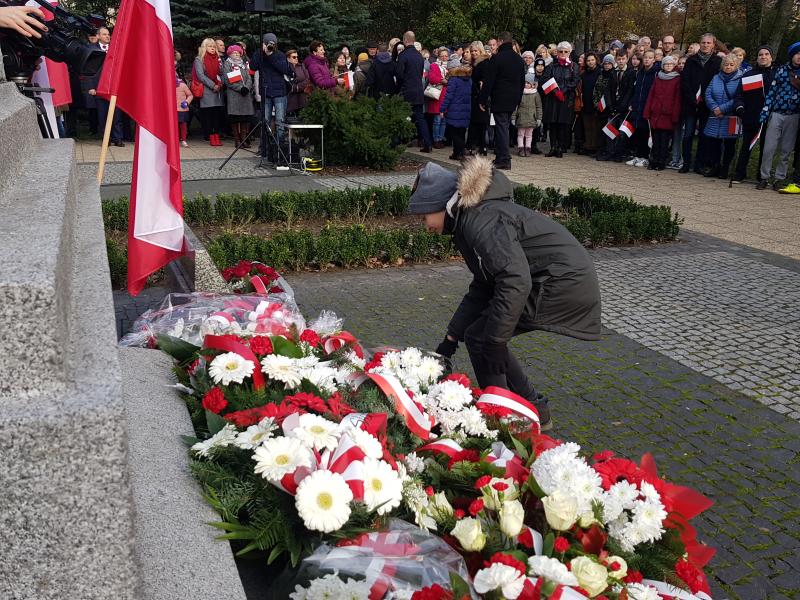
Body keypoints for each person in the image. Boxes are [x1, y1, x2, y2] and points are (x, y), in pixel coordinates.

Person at [409, 158, 603, 431]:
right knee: (480, 336)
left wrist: (496, 341)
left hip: (560, 281)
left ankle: (502, 417)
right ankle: (528, 409)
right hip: (550, 278)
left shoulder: (479, 221)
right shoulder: (470, 219)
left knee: (483, 338)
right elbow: (484, 285)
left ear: (442, 204)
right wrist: (451, 338)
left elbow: (514, 279)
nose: (425, 224)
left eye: (425, 214)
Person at [756, 41, 800, 191]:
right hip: (777, 113)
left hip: (794, 115)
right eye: (797, 53)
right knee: (769, 147)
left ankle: (779, 178)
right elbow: (772, 92)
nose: (799, 57)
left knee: (786, 150)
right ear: (792, 55)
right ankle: (764, 177)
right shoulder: (781, 71)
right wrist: (765, 112)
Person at [480, 31, 526, 169]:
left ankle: (504, 159)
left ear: (500, 41)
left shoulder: (497, 58)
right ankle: (501, 156)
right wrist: (518, 99)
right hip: (512, 99)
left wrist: (482, 99)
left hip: (500, 97)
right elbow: (522, 82)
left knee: (501, 127)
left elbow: (489, 81)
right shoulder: (518, 59)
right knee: (503, 126)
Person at [678, 33, 722, 174]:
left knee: (704, 135)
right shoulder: (691, 60)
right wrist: (692, 98)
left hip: (707, 104)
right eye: (703, 42)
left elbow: (717, 82)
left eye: (709, 43)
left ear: (713, 45)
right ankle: (686, 163)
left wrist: (707, 99)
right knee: (688, 134)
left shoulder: (717, 62)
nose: (705, 45)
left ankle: (699, 164)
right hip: (691, 103)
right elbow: (685, 81)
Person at [731, 45, 774, 184]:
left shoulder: (777, 74)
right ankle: (739, 173)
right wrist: (740, 108)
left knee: (766, 148)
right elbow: (739, 95)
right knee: (746, 146)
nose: (763, 57)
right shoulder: (749, 75)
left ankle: (762, 176)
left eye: (766, 54)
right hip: (750, 115)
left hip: (769, 117)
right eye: (760, 54)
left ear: (771, 57)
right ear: (757, 58)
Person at [701, 54, 743, 179]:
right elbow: (708, 94)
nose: (728, 67)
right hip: (715, 115)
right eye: (726, 64)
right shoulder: (716, 78)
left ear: (736, 66)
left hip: (730, 116)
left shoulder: (740, 78)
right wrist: (715, 108)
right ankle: (715, 166)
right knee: (713, 143)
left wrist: (722, 109)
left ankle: (725, 168)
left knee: (729, 144)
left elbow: (738, 97)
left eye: (731, 65)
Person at [251, 33, 292, 147]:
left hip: (280, 93)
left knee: (280, 121)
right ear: (263, 44)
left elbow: (285, 69)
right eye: (268, 44)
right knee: (265, 121)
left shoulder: (279, 55)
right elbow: (252, 67)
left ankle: (280, 147)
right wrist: (261, 53)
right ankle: (265, 147)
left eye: (272, 44)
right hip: (266, 92)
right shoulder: (259, 54)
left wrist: (271, 55)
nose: (270, 46)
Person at [540, 41, 580, 158]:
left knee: (563, 123)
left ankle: (560, 147)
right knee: (553, 123)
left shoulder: (574, 66)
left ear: (569, 53)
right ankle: (552, 147)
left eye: (565, 52)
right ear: (557, 52)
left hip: (566, 99)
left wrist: (564, 90)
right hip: (552, 98)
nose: (563, 53)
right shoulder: (551, 66)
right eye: (560, 51)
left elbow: (575, 80)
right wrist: (555, 91)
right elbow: (545, 79)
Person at [396, 31, 433, 153]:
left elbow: (399, 75)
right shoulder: (419, 56)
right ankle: (427, 143)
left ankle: (398, 142)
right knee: (420, 117)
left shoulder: (403, 56)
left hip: (406, 90)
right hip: (418, 90)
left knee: (403, 117)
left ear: (405, 40)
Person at [643, 54, 681, 170]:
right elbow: (651, 95)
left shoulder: (677, 79)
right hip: (656, 114)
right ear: (663, 66)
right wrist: (647, 111)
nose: (668, 66)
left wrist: (675, 115)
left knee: (664, 141)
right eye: (666, 64)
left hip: (667, 115)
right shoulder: (658, 78)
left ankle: (661, 162)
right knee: (655, 140)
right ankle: (653, 160)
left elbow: (677, 99)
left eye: (670, 64)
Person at [89, 27, 124, 146]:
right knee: (102, 116)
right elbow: (88, 71)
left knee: (116, 115)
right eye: (104, 34)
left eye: (108, 34)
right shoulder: (92, 50)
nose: (108, 36)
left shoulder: (116, 50)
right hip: (99, 88)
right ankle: (106, 140)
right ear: (98, 36)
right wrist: (91, 87)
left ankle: (117, 138)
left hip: (114, 88)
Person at [626, 49, 658, 167]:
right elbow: (635, 90)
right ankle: (637, 155)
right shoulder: (640, 73)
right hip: (637, 106)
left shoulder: (655, 73)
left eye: (650, 58)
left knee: (645, 132)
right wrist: (632, 103)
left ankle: (645, 157)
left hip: (647, 107)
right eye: (645, 57)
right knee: (638, 132)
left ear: (654, 59)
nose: (647, 60)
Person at [221, 44, 255, 148]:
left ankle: (244, 139)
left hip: (245, 94)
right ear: (230, 54)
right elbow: (227, 80)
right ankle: (237, 140)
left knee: (245, 118)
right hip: (234, 94)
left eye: (238, 53)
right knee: (235, 118)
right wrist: (240, 88)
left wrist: (247, 87)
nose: (236, 54)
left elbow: (249, 77)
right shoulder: (227, 64)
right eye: (234, 53)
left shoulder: (243, 64)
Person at [194, 38, 226, 146]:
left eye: (213, 46)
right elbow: (200, 75)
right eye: (209, 46)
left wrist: (220, 84)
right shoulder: (199, 59)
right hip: (207, 90)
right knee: (209, 115)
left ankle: (217, 136)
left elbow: (222, 73)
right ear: (204, 47)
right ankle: (211, 136)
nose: (212, 48)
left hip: (218, 91)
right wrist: (213, 85)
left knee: (217, 114)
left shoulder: (218, 59)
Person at [440, 64, 472, 160]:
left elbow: (448, 96)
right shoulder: (469, 80)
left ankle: (462, 149)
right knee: (461, 132)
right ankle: (457, 153)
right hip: (466, 110)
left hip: (454, 109)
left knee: (453, 131)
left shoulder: (453, 80)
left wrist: (442, 109)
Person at [467, 41, 491, 156]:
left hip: (480, 97)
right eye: (472, 51)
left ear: (480, 51)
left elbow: (483, 81)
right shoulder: (476, 63)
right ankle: (478, 146)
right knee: (477, 123)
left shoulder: (484, 63)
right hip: (476, 96)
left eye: (475, 51)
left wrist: (482, 98)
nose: (473, 53)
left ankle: (478, 146)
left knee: (479, 124)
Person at [512, 74, 542, 156]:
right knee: (520, 134)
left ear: (532, 84)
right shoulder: (520, 93)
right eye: (525, 83)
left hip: (531, 118)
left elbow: (539, 107)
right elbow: (516, 106)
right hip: (521, 117)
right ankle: (521, 149)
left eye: (528, 83)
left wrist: (539, 118)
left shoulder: (536, 94)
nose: (526, 84)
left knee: (529, 135)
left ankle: (528, 149)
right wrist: (513, 117)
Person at [579, 52, 602, 156]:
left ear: (596, 60)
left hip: (596, 103)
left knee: (595, 126)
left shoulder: (600, 72)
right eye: (588, 60)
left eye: (592, 60)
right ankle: (588, 145)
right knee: (587, 126)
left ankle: (595, 147)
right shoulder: (584, 74)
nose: (590, 62)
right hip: (586, 102)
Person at [427, 47, 450, 149]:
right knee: (437, 120)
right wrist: (442, 80)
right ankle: (436, 139)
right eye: (442, 56)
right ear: (439, 56)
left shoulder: (450, 67)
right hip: (438, 96)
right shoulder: (434, 65)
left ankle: (441, 138)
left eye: (446, 56)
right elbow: (432, 78)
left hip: (446, 96)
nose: (444, 58)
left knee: (444, 120)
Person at [286, 49, 311, 116]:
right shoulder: (285, 68)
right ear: (288, 58)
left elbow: (307, 79)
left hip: (302, 98)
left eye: (297, 57)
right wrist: (294, 87)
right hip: (290, 99)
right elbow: (287, 82)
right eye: (294, 57)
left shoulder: (301, 66)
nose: (296, 58)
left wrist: (297, 87)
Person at [176, 72, 193, 148]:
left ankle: (184, 140)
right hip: (172, 110)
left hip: (182, 109)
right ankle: (175, 140)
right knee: (174, 126)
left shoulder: (183, 85)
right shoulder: (166, 86)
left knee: (183, 125)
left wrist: (186, 102)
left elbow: (190, 95)